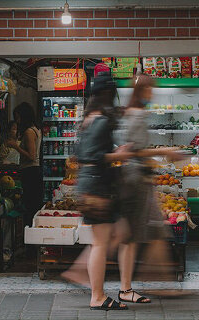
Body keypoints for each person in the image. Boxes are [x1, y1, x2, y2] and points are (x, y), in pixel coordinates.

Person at [115, 74, 184, 304]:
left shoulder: (130, 113)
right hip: (136, 181)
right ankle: (131, 287)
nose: (152, 94)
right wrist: (165, 152)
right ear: (142, 92)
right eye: (150, 90)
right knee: (137, 236)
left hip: (138, 179)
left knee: (155, 233)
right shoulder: (137, 115)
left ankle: (162, 282)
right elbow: (134, 151)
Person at [73, 73, 136, 311]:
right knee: (100, 244)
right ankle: (97, 296)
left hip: (90, 184)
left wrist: (114, 151)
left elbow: (86, 153)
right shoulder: (101, 120)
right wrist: (118, 155)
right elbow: (94, 157)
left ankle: (84, 275)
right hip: (97, 186)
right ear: (109, 94)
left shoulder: (88, 119)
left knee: (121, 233)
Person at [7, 103, 42, 227]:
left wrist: (16, 146)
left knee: (30, 206)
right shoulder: (36, 129)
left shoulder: (29, 132)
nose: (17, 120)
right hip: (34, 171)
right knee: (33, 205)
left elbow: (31, 156)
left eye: (18, 117)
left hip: (30, 172)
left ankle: (30, 237)